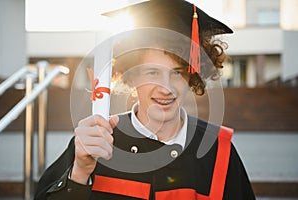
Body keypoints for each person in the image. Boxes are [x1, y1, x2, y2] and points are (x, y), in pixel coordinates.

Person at [35, 0, 256, 199]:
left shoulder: (218, 150)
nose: (166, 88)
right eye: (152, 72)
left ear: (192, 76)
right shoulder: (97, 140)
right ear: (131, 76)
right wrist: (80, 172)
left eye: (177, 72)